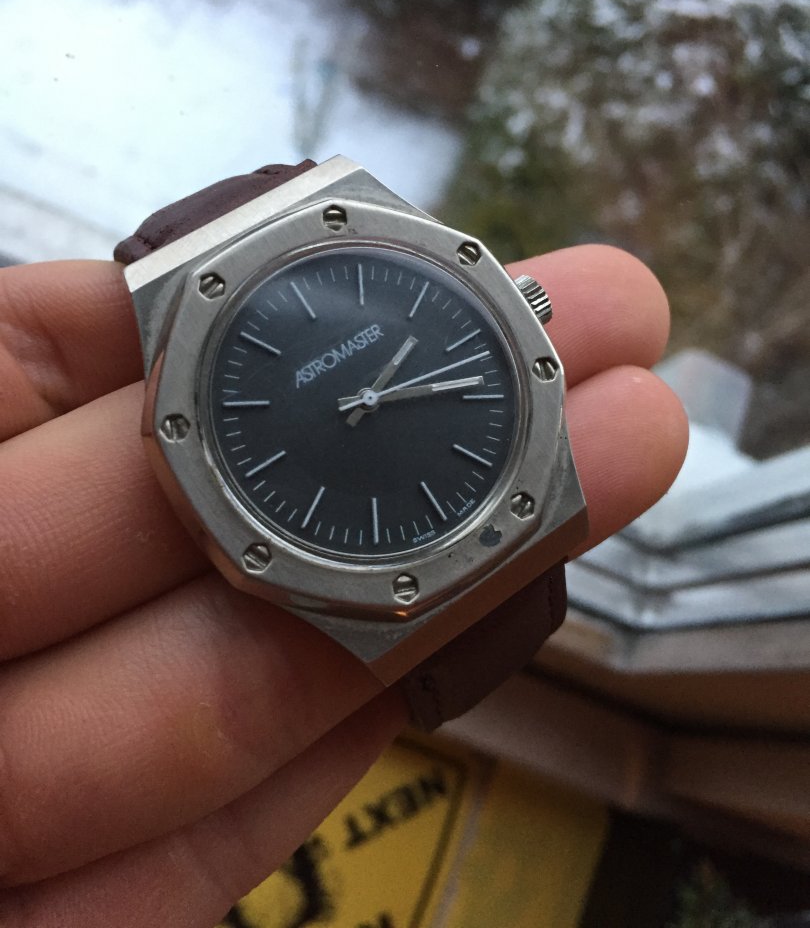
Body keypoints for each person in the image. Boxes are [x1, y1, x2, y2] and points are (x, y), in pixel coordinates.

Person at [0, 244, 688, 925]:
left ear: (525, 307)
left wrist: (381, 390)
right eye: (365, 401)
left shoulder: (411, 288)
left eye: (372, 395)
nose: (367, 399)